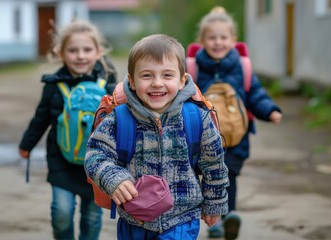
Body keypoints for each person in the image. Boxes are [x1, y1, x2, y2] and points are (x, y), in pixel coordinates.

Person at [84, 34, 229, 240]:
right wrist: (113, 179)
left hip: (182, 218)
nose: (157, 83)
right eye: (147, 76)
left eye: (167, 75)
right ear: (132, 81)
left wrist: (215, 202)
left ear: (181, 80)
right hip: (133, 219)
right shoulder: (119, 119)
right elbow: (95, 155)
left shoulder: (196, 118)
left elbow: (214, 163)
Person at [19, 19, 117, 240]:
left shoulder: (109, 85)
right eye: (73, 50)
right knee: (61, 213)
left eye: (87, 50)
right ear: (60, 53)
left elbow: (121, 122)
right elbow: (40, 118)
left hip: (97, 163)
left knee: (91, 217)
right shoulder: (53, 86)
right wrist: (27, 144)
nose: (80, 56)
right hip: (60, 160)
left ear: (98, 51)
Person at [193, 7, 283, 240]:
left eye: (223, 37)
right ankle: (212, 221)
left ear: (233, 40)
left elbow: (255, 94)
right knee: (206, 177)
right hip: (202, 139)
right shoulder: (193, 69)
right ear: (202, 41)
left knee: (228, 176)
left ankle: (229, 215)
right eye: (212, 38)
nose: (218, 42)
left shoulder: (242, 69)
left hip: (235, 138)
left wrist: (270, 111)